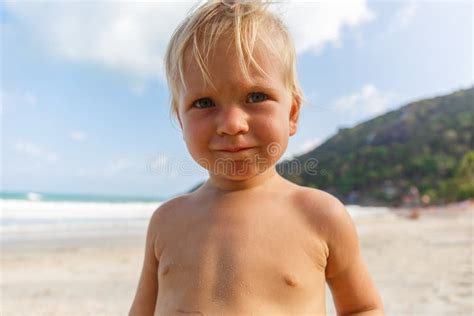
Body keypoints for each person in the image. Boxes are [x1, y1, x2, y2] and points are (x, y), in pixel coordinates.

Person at [130, 1, 384, 315]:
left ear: (291, 113)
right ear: (181, 122)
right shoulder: (166, 221)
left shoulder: (320, 215)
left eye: (256, 97)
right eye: (204, 102)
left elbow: (362, 307)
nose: (232, 124)